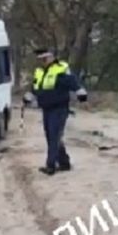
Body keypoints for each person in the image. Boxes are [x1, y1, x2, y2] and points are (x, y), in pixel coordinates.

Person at [24, 47, 87, 175]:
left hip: (59, 108)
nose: (43, 61)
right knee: (52, 136)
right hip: (46, 108)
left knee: (54, 136)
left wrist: (80, 92)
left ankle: (50, 165)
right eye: (40, 59)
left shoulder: (61, 69)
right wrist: (29, 97)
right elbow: (36, 87)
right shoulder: (39, 71)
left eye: (45, 58)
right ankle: (64, 163)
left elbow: (73, 82)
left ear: (52, 57)